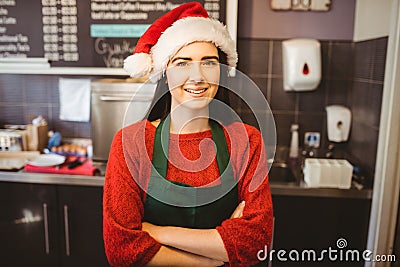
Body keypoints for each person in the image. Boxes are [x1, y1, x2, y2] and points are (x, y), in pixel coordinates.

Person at [103, 2, 273, 266]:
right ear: (165, 72)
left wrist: (157, 232)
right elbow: (122, 249)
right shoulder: (132, 144)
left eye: (209, 62)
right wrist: (210, 259)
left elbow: (256, 243)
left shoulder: (246, 141)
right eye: (182, 63)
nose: (197, 76)